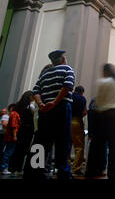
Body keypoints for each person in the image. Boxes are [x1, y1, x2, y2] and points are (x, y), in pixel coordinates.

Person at [24, 50, 75, 180]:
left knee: (42, 142)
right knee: (62, 141)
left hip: (45, 111)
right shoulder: (67, 68)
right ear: (63, 59)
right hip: (62, 108)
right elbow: (67, 86)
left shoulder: (45, 73)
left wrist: (41, 104)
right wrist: (55, 102)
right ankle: (63, 172)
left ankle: (36, 171)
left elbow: (35, 90)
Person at [86, 64, 115, 179]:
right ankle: (112, 173)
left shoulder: (102, 82)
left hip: (103, 116)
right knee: (113, 146)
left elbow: (99, 101)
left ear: (105, 72)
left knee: (98, 145)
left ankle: (93, 170)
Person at [8, 91, 35, 175]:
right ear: (30, 97)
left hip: (19, 130)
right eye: (32, 96)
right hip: (27, 130)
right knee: (22, 150)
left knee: (16, 149)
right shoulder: (31, 107)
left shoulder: (17, 106)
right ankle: (18, 168)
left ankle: (12, 167)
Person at [70, 86, 87, 176]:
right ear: (82, 92)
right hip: (77, 121)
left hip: (67, 120)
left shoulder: (70, 96)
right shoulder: (82, 98)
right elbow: (84, 112)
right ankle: (76, 169)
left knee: (67, 146)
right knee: (79, 147)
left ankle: (66, 167)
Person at [0, 104, 19, 174]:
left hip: (6, 135)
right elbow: (5, 125)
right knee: (6, 151)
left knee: (6, 152)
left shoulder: (11, 116)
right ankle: (2, 168)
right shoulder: (7, 116)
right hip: (4, 135)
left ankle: (3, 168)